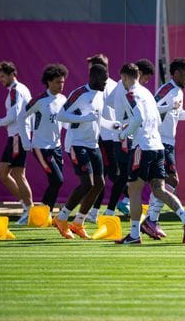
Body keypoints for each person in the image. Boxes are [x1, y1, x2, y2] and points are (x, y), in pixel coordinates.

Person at [114, 63, 185, 244]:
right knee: (159, 189)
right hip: (158, 146)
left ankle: (134, 235)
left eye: (122, 79)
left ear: (126, 78)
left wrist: (123, 134)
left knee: (133, 190)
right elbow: (153, 117)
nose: (122, 82)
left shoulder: (132, 94)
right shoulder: (147, 93)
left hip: (142, 147)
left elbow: (139, 118)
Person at [141, 58, 185, 239]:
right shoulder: (167, 89)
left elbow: (177, 114)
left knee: (166, 184)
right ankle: (151, 220)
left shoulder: (178, 91)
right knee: (171, 181)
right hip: (159, 142)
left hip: (168, 143)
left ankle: (151, 221)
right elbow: (151, 109)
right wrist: (168, 106)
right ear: (176, 73)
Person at [54, 64, 120, 239]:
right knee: (87, 184)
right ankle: (61, 219)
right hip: (76, 143)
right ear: (92, 78)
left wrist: (116, 125)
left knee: (99, 184)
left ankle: (78, 223)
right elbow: (61, 116)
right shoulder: (79, 93)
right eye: (103, 80)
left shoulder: (99, 95)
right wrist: (82, 118)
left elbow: (99, 119)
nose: (106, 84)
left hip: (93, 144)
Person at [19, 64, 68, 214]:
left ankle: (43, 214)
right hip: (41, 148)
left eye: (63, 82)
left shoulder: (63, 99)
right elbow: (21, 117)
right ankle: (43, 213)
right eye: (57, 82)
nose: (61, 85)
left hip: (57, 147)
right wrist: (26, 140)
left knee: (56, 182)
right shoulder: (39, 100)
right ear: (48, 81)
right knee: (57, 180)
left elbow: (65, 122)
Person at [0, 61, 34, 225]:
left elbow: (14, 114)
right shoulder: (17, 89)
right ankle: (27, 208)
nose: (0, 80)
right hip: (15, 136)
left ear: (11, 74)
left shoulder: (16, 90)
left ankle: (30, 211)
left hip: (18, 135)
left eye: (3, 76)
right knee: (3, 174)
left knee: (18, 174)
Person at [85, 54, 123, 222]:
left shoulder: (100, 88)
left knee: (113, 175)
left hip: (107, 138)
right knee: (106, 175)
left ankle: (119, 204)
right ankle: (96, 212)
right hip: (116, 136)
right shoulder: (117, 85)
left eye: (91, 68)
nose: (89, 72)